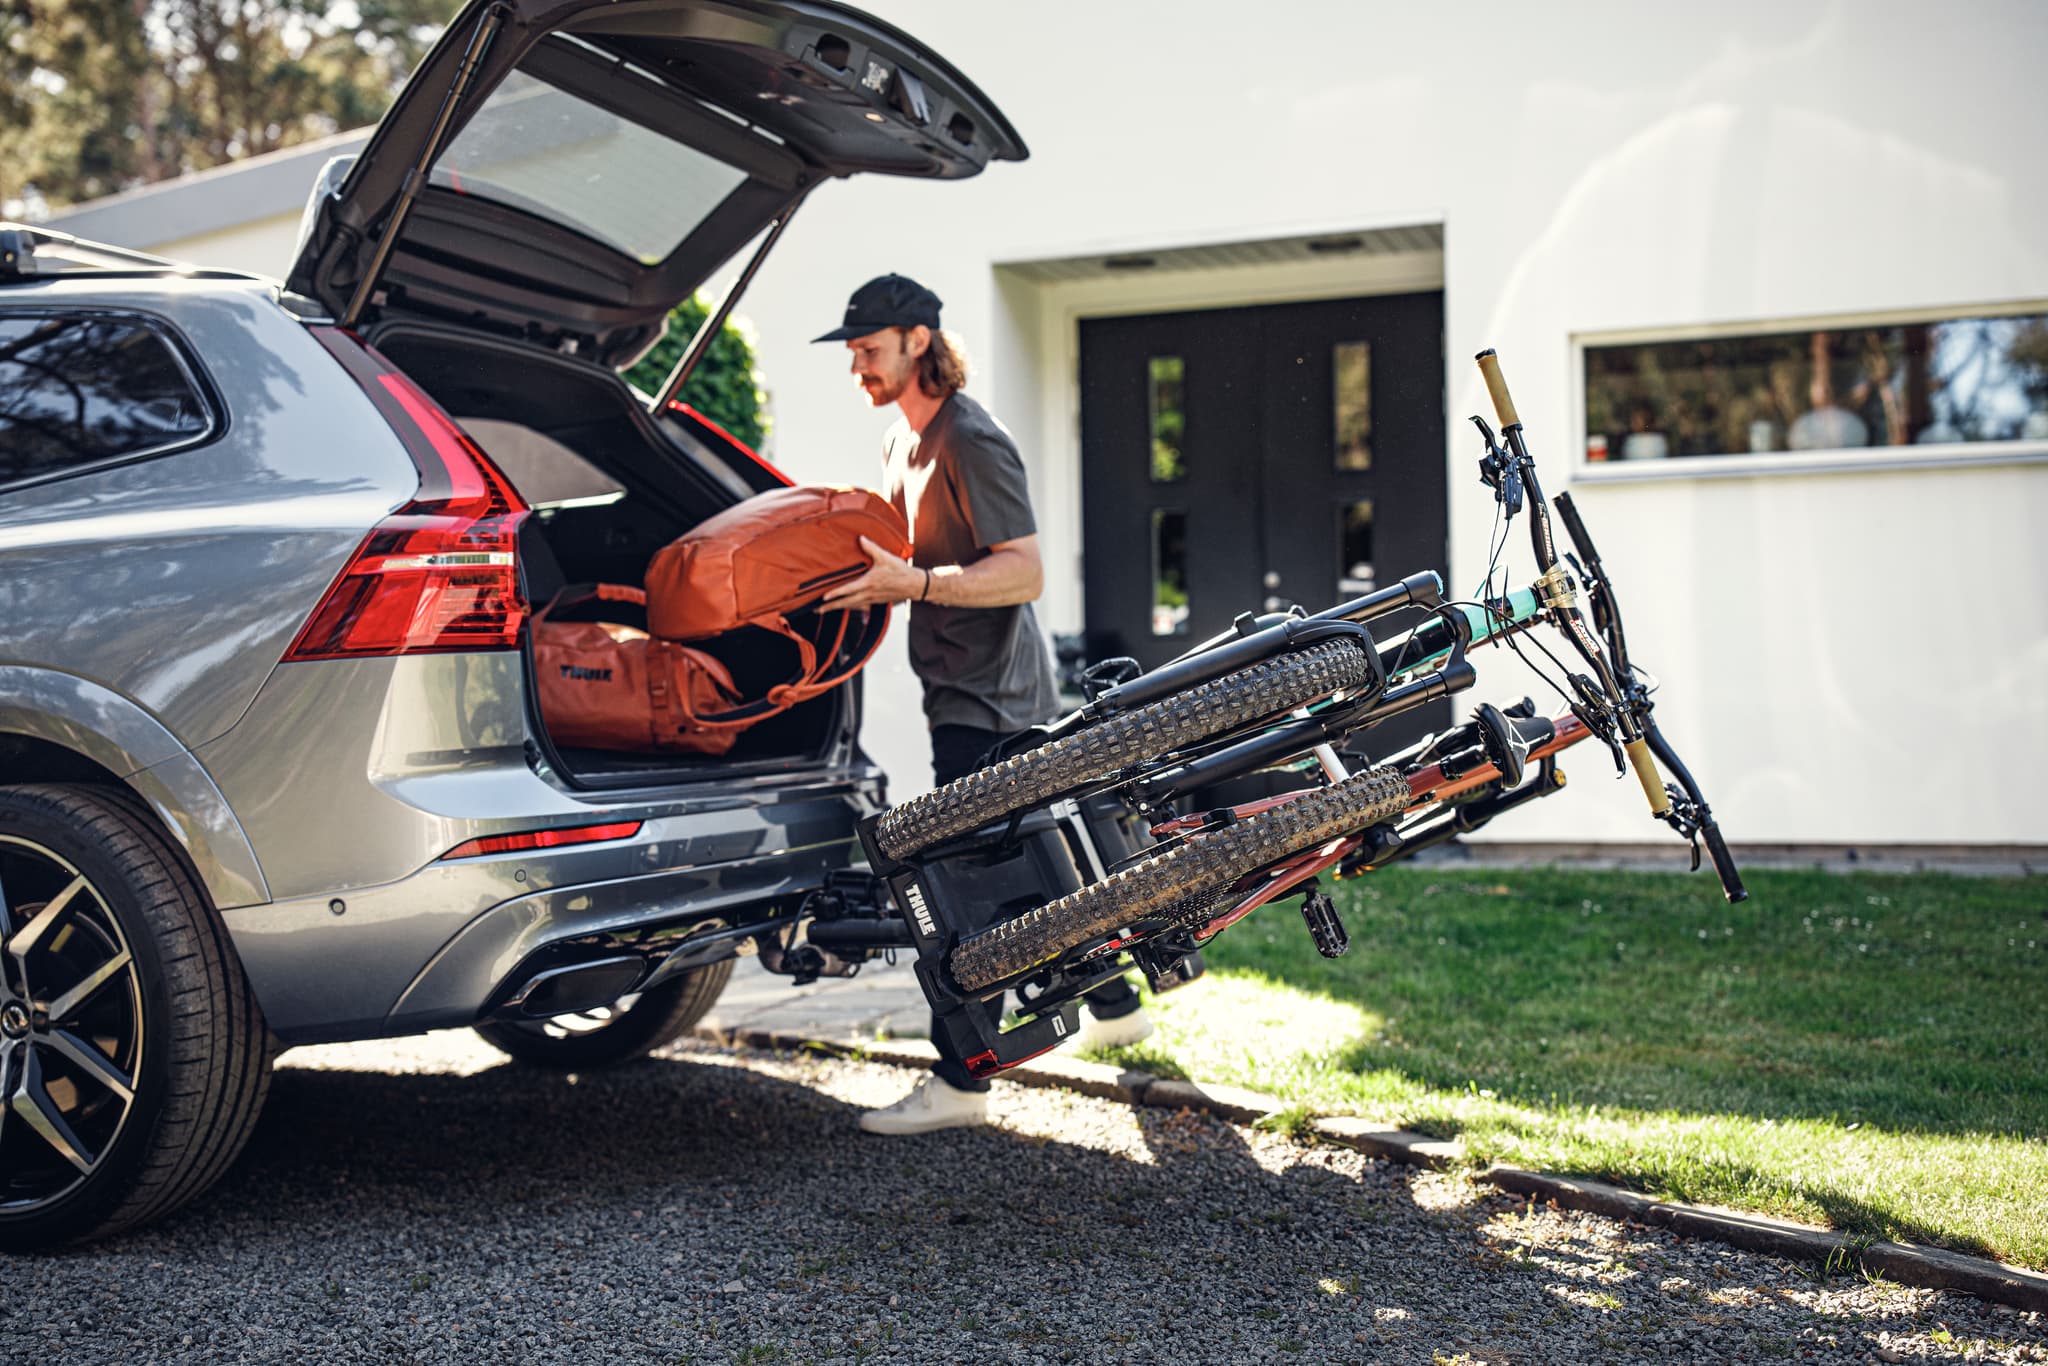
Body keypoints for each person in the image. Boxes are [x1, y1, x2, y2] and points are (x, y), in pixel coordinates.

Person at [815, 273, 1151, 1135]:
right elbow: (899, 561)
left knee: (959, 891)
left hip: (997, 702)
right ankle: (1119, 1006)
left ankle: (959, 1082)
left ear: (917, 340)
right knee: (1031, 873)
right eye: (852, 352)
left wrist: (919, 582)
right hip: (953, 691)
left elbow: (1025, 571)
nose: (856, 366)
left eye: (868, 349)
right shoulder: (903, 444)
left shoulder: (972, 439)